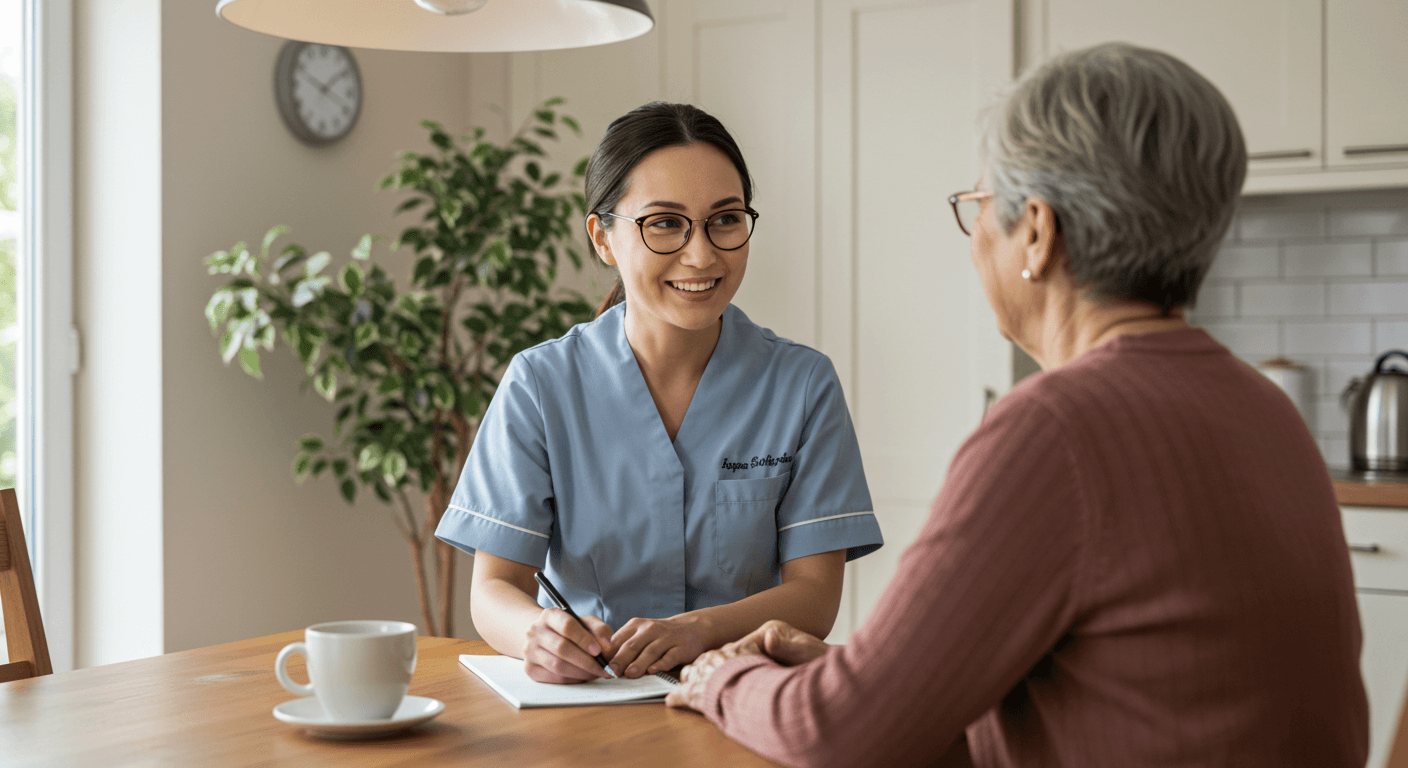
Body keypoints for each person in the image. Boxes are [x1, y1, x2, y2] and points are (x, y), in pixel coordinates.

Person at [665, 43, 1369, 767]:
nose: (975, 245)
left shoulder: (1059, 427)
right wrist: (853, 674)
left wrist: (727, 676)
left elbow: (841, 735)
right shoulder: (1264, 407)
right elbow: (1127, 686)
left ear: (1035, 231)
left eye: (980, 208)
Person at [435, 102, 883, 685]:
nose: (701, 255)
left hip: (741, 700)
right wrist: (536, 636)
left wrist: (697, 630)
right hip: (586, 704)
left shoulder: (802, 385)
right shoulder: (539, 385)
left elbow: (814, 598)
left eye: (724, 220)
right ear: (602, 238)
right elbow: (494, 589)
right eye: (665, 223)